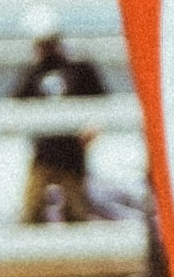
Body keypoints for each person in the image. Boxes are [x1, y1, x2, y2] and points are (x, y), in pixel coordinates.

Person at [11, 11, 106, 223]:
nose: (44, 49)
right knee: (31, 209)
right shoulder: (32, 72)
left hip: (72, 153)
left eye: (48, 43)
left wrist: (93, 127)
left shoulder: (79, 69)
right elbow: (15, 104)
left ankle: (80, 254)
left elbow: (102, 100)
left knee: (76, 211)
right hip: (43, 153)